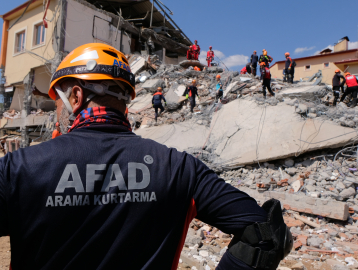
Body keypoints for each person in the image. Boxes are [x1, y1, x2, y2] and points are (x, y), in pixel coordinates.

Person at [0, 43, 293, 269]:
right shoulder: (179, 168)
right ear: (125, 100)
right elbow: (267, 233)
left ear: (75, 96)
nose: (57, 112)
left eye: (58, 101)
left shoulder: (18, 168)